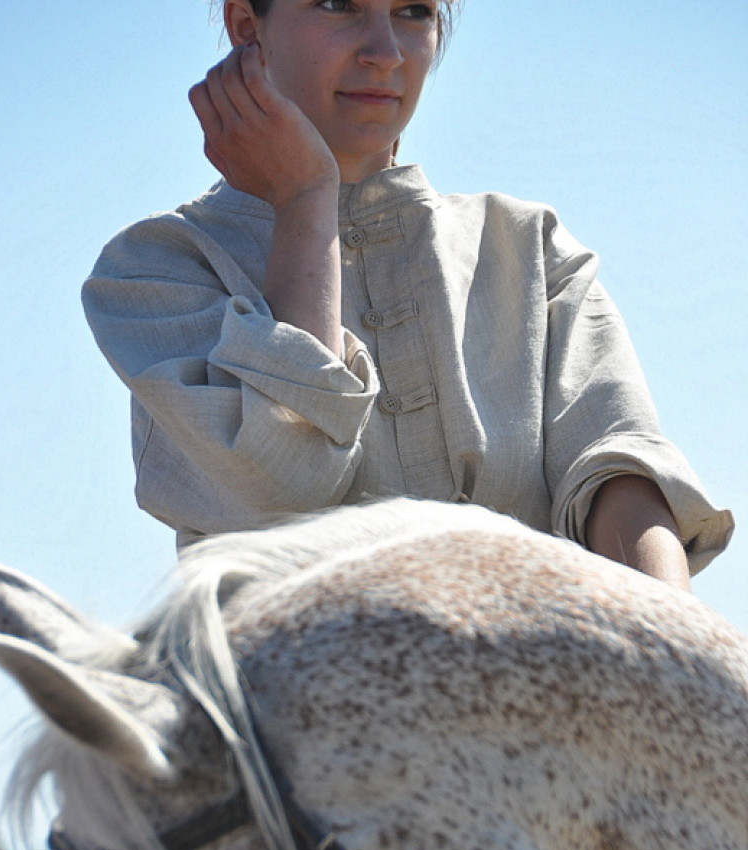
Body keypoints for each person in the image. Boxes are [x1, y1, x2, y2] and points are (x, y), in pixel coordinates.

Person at [82, 0, 733, 592]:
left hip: (557, 702)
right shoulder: (157, 271)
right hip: (286, 713)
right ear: (248, 26)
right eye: (339, 4)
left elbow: (617, 468)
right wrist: (308, 196)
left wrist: (682, 668)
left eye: (414, 12)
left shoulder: (528, 246)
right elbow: (286, 486)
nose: (385, 52)